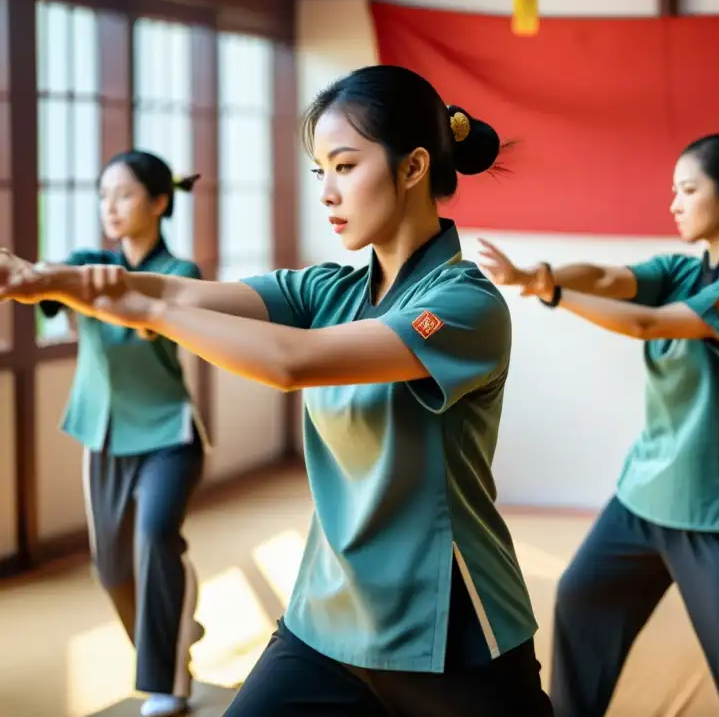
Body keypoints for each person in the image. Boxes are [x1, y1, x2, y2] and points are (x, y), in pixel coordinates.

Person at [1, 65, 552, 717]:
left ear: (412, 169)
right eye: (321, 171)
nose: (327, 191)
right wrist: (44, 279)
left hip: (449, 630)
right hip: (327, 615)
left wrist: (146, 312)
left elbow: (293, 362)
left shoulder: (465, 305)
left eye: (345, 166)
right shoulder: (330, 290)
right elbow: (172, 290)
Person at [478, 134, 719, 717]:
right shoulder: (680, 268)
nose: (674, 203)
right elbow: (606, 279)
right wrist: (540, 273)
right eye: (672, 191)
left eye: (687, 190)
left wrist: (549, 292)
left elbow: (651, 325)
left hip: (714, 501)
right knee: (580, 598)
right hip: (646, 489)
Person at [1, 151, 207, 717]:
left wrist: (96, 291)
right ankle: (171, 633)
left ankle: (168, 680)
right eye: (103, 195)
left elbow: (146, 314)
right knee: (113, 570)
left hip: (168, 434)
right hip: (103, 435)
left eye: (124, 194)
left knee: (155, 537)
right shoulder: (88, 261)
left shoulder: (181, 273)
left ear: (159, 202)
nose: (110, 207)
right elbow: (43, 285)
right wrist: (27, 272)